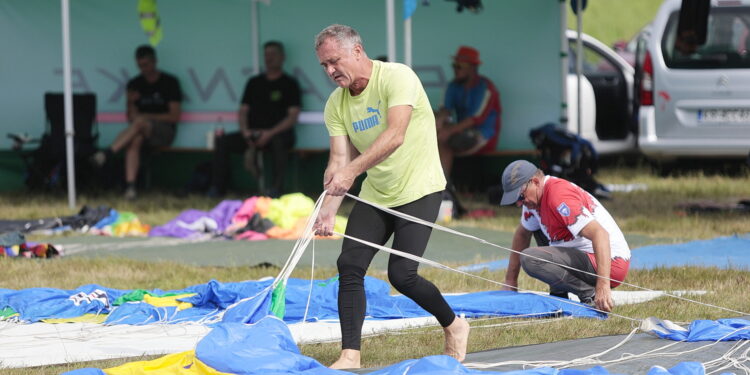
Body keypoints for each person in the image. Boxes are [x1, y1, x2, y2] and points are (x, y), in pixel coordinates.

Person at [311, 24, 470, 369]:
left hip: (420, 188)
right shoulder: (335, 105)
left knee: (402, 275)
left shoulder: (397, 77)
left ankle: (455, 325)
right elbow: (339, 162)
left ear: (357, 51)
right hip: (378, 193)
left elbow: (395, 135)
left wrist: (351, 171)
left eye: (334, 61)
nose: (330, 71)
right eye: (323, 66)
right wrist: (328, 209)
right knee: (349, 266)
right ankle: (350, 355)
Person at [498, 160, 631, 313]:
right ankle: (559, 293)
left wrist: (603, 286)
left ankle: (590, 295)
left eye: (520, 196)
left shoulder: (558, 195)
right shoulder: (534, 200)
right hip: (587, 258)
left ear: (535, 182)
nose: (519, 203)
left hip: (611, 263)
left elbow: (600, 234)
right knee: (535, 229)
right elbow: (522, 234)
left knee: (530, 258)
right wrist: (510, 281)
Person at [208, 41, 301, 198]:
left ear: (282, 57)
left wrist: (269, 133)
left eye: (273, 54)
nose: (269, 58)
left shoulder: (290, 84)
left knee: (279, 142)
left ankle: (276, 189)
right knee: (222, 141)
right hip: (252, 132)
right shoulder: (254, 82)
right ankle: (218, 187)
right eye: (266, 55)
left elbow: (292, 117)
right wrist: (245, 132)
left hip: (277, 134)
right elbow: (243, 111)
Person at [92, 45, 183, 199]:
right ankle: (131, 187)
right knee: (135, 139)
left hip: (164, 132)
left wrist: (146, 117)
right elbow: (131, 117)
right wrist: (131, 102)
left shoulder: (170, 82)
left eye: (146, 65)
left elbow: (174, 116)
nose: (144, 69)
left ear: (155, 61)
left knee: (141, 122)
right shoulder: (135, 84)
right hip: (141, 130)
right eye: (140, 66)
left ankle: (108, 153)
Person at [435, 45, 501, 178]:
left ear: (472, 68)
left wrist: (447, 131)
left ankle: (443, 187)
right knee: (435, 131)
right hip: (460, 131)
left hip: (482, 135)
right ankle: (443, 187)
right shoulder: (453, 85)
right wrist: (439, 123)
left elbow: (476, 119)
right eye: (454, 66)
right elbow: (445, 110)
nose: (455, 69)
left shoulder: (486, 87)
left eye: (459, 66)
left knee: (445, 140)